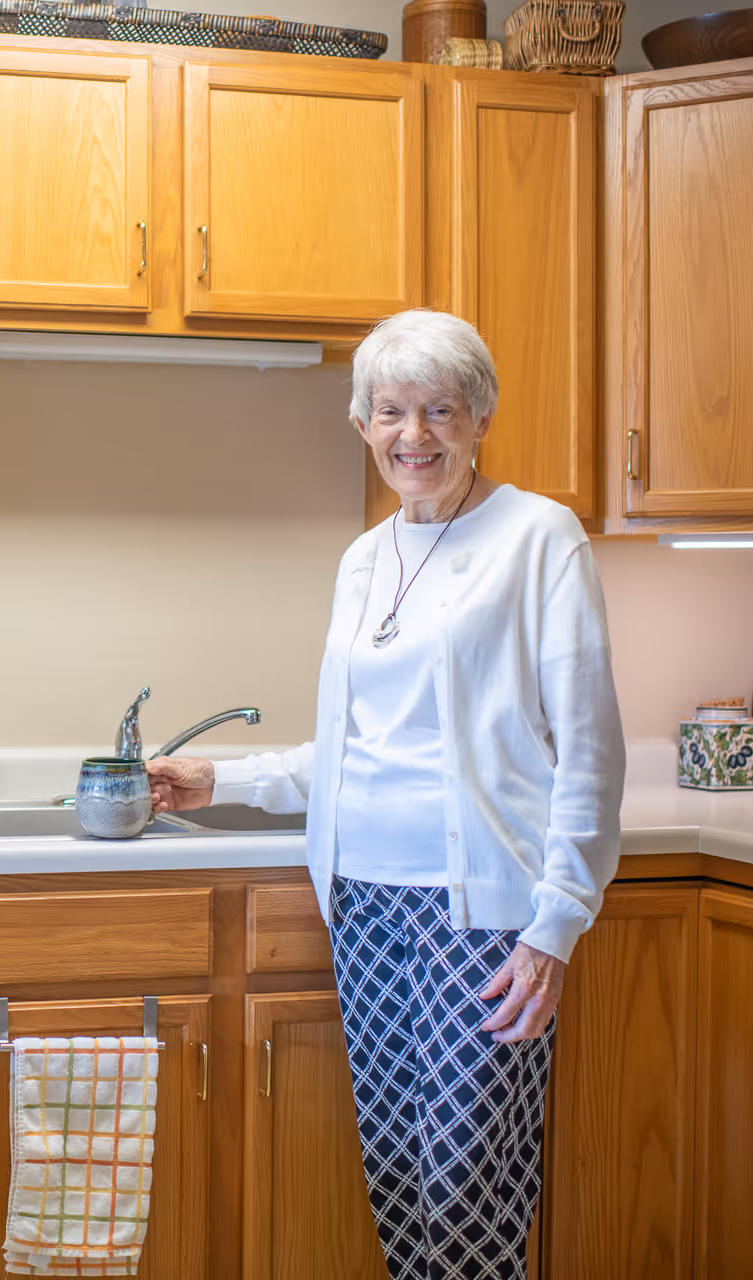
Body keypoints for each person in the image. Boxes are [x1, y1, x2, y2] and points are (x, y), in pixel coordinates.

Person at [148, 309, 625, 1280]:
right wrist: (222, 777)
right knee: (401, 1172)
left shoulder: (539, 537)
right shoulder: (365, 558)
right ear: (363, 423)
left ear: (478, 417)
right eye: (392, 411)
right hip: (363, 901)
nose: (415, 435)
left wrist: (558, 921)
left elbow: (590, 746)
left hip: (484, 914)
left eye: (439, 409)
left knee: (467, 1177)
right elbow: (355, 745)